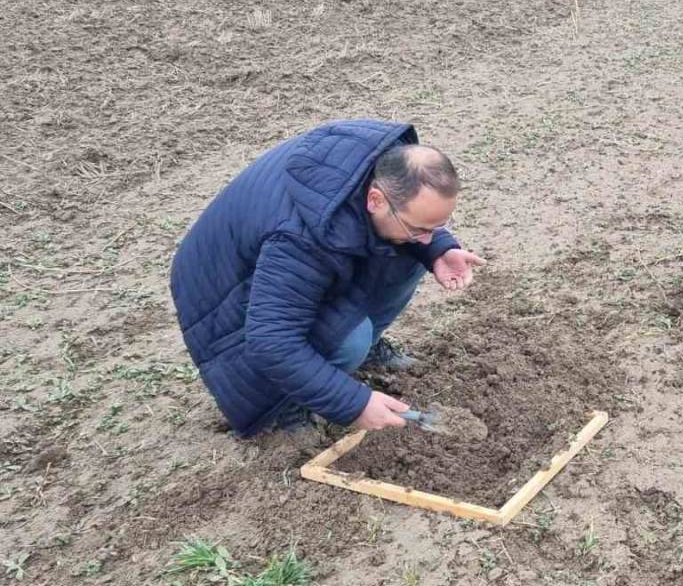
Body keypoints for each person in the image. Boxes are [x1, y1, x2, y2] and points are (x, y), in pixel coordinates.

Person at [169, 120, 485, 437]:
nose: (429, 238)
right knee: (349, 338)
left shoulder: (381, 167)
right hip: (227, 293)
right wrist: (352, 403)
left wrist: (439, 251)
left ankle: (359, 352)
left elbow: (414, 231)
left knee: (410, 254)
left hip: (284, 259)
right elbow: (271, 340)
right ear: (375, 200)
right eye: (420, 227)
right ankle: (287, 402)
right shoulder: (298, 240)